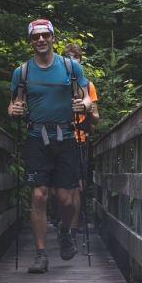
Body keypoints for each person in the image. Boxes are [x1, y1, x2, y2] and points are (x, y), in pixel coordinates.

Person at [8, 19, 93, 274]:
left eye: (45, 35)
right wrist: (15, 111)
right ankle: (41, 254)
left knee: (66, 201)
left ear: (53, 38)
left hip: (66, 138)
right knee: (38, 195)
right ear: (31, 40)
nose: (41, 40)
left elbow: (87, 97)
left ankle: (65, 231)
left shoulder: (70, 67)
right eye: (36, 37)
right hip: (36, 138)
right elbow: (12, 107)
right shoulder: (22, 72)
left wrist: (84, 106)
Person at [62, 42, 99, 210]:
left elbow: (96, 118)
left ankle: (73, 231)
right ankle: (63, 221)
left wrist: (87, 110)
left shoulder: (88, 85)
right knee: (61, 188)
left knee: (80, 186)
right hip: (60, 138)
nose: (72, 60)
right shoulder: (58, 83)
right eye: (68, 56)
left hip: (80, 140)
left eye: (76, 57)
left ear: (81, 61)